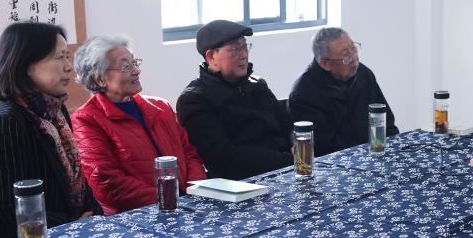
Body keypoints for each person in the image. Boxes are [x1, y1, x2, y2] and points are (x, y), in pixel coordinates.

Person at [0, 22, 102, 238]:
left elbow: (78, 179)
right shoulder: (6, 122)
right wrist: (71, 226)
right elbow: (9, 209)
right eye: (59, 57)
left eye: (67, 56)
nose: (68, 67)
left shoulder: (55, 111)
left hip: (65, 233)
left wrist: (94, 216)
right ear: (26, 65)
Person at [71, 35, 206, 215]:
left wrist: (195, 193)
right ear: (100, 79)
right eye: (126, 66)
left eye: (135, 62)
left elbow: (189, 154)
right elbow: (106, 181)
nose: (136, 71)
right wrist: (168, 200)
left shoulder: (161, 106)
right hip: (136, 217)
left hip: (187, 205)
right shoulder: (87, 119)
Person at [176, 20, 293, 180]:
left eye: (245, 47)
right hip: (242, 183)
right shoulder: (194, 100)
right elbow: (224, 157)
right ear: (211, 57)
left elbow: (287, 125)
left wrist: (297, 145)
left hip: (286, 169)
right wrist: (288, 161)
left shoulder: (257, 85)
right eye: (235, 49)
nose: (244, 55)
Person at [288, 27, 398, 156]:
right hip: (339, 161)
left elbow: (386, 122)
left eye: (354, 49)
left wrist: (392, 149)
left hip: (374, 153)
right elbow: (323, 147)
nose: (354, 58)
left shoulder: (364, 74)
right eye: (346, 55)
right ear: (325, 64)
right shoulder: (304, 91)